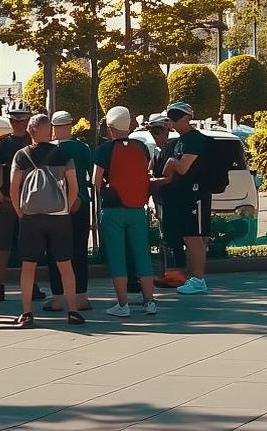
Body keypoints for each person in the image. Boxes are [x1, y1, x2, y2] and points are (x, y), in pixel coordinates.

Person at [10, 120, 82, 327]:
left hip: (31, 217)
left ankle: (26, 313)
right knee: (65, 265)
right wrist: (65, 208)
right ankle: (73, 311)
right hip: (59, 216)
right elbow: (74, 187)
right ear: (50, 131)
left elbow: (13, 188)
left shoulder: (21, 155)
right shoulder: (63, 155)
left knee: (28, 266)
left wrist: (20, 212)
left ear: (30, 131)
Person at [92, 107, 158, 317]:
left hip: (113, 209)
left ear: (110, 128)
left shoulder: (104, 149)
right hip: (137, 208)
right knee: (142, 254)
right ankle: (150, 302)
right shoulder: (142, 147)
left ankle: (122, 305)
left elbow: (96, 180)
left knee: (117, 257)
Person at [163, 102, 216, 296]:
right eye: (170, 118)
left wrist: (171, 161)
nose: (172, 122)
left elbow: (183, 167)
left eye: (175, 117)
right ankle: (195, 277)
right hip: (186, 195)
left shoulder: (194, 140)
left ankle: (198, 279)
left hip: (196, 194)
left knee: (195, 237)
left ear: (187, 118)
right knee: (190, 237)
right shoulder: (182, 140)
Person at [44, 110, 94, 313]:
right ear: (71, 126)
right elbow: (91, 173)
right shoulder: (82, 148)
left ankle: (57, 298)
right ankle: (81, 296)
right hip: (80, 202)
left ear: (53, 127)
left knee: (54, 252)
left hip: (54, 205)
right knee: (79, 250)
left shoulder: (47, 149)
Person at [0, 99, 35, 303]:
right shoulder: (1, 143)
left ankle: (31, 284)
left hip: (30, 202)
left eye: (22, 120)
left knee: (30, 245)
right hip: (7, 202)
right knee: (3, 246)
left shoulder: (33, 142)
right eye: (15, 120)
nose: (18, 123)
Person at [143, 113, 186, 290]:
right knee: (165, 236)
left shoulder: (174, 147)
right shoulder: (156, 151)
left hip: (173, 198)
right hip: (160, 199)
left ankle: (177, 274)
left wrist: (151, 182)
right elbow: (150, 170)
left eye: (157, 130)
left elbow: (170, 178)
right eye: (152, 131)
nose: (155, 134)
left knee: (173, 236)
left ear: (166, 130)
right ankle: (167, 273)